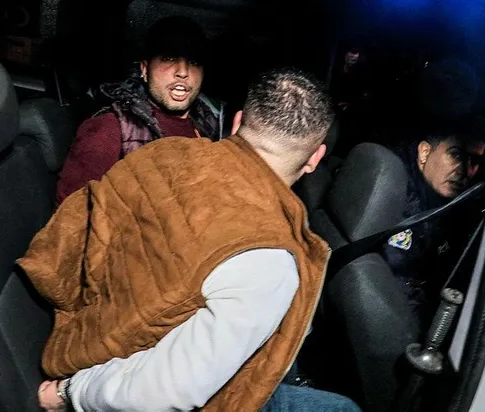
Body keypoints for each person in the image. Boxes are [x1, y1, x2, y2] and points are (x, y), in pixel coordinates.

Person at [18, 67, 361, 412]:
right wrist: (70, 392)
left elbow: (72, 231)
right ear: (315, 158)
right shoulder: (269, 260)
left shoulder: (163, 152)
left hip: (87, 328)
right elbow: (162, 392)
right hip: (104, 377)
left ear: (237, 122)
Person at [56, 15, 221, 204]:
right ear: (144, 69)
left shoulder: (208, 125)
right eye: (168, 58)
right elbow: (71, 215)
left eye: (193, 61)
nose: (183, 72)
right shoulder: (109, 130)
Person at [382, 115, 485, 324]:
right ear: (424, 152)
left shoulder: (454, 202)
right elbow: (398, 279)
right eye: (455, 154)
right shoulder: (398, 193)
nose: (465, 171)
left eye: (475, 161)